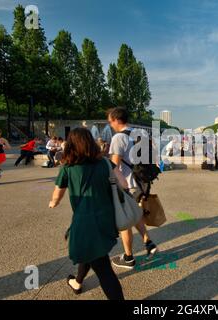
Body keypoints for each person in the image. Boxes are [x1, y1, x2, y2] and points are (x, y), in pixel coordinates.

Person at [49, 128, 125, 300]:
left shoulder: (68, 166)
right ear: (91, 142)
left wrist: (53, 203)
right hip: (106, 217)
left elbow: (57, 194)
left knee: (103, 269)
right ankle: (77, 282)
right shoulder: (105, 163)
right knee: (91, 251)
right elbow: (123, 183)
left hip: (86, 221)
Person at [107, 107, 159, 269]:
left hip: (128, 184)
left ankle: (129, 257)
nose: (110, 125)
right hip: (143, 181)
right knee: (136, 214)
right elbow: (153, 153)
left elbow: (114, 166)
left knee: (125, 220)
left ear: (116, 120)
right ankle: (148, 243)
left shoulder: (118, 138)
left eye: (110, 121)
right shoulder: (141, 133)